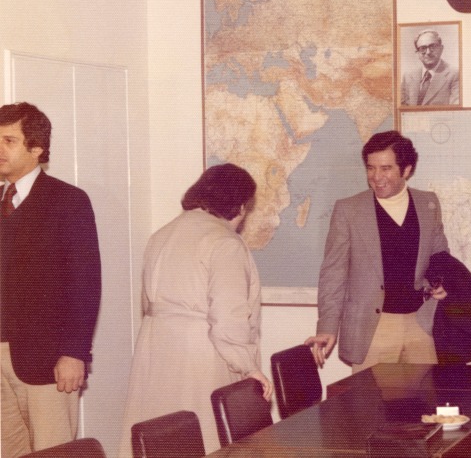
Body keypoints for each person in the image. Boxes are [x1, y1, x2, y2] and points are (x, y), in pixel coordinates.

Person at [118, 164, 272, 457]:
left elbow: (147, 305)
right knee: (203, 439)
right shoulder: (225, 242)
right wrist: (249, 367)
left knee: (155, 440)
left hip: (154, 352)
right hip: (200, 356)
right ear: (239, 205)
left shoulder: (160, 235)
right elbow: (229, 319)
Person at [0, 102, 102, 458]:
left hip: (46, 360)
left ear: (37, 148)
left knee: (53, 452)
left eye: (9, 141)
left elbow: (85, 284)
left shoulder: (68, 201)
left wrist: (75, 352)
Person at [306, 130, 449, 373]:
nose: (376, 177)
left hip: (422, 324)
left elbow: (440, 254)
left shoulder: (429, 203)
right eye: (371, 168)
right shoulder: (348, 210)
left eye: (386, 168)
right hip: (372, 328)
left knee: (425, 407)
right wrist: (327, 326)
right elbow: (333, 274)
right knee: (370, 408)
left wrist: (442, 282)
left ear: (407, 170)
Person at [401, 29, 460, 106]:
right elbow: (402, 108)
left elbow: (455, 110)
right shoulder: (408, 76)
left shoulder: (455, 74)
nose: (428, 52)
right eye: (423, 48)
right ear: (417, 53)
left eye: (432, 46)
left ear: (441, 49)